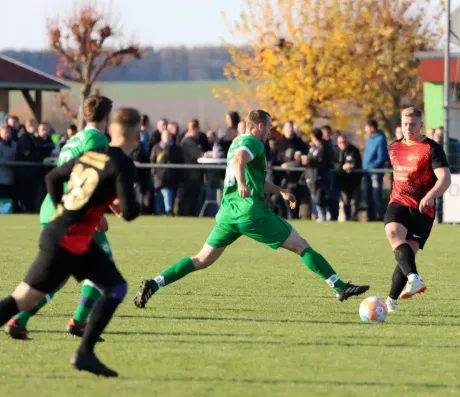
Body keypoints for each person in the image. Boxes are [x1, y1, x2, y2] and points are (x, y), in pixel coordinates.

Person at [133, 110, 369, 308]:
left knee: (202, 259)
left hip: (228, 213)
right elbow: (239, 162)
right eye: (268, 128)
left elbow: (250, 175)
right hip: (251, 213)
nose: (269, 133)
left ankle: (155, 283)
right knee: (301, 246)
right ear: (258, 126)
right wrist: (244, 184)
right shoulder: (251, 142)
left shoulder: (237, 141)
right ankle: (340, 287)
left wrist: (280, 191)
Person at [0, 107, 141, 377]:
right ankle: (83, 349)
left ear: (111, 131)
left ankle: (85, 352)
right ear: (135, 136)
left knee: (115, 285)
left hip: (68, 236)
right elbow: (130, 212)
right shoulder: (122, 163)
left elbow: (52, 177)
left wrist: (62, 209)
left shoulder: (90, 154)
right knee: (24, 299)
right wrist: (127, 203)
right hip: (67, 242)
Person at [5, 95, 115, 341]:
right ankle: (78, 322)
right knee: (104, 266)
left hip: (53, 209)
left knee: (57, 275)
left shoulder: (73, 139)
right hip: (74, 213)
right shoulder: (96, 138)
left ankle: (18, 321)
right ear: (107, 116)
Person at [384, 107, 451, 313]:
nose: (408, 128)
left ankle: (391, 300)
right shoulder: (394, 147)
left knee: (407, 255)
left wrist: (430, 196)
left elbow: (445, 178)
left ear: (421, 125)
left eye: (412, 124)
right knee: (393, 233)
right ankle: (415, 279)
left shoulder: (431, 148)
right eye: (405, 124)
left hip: (424, 209)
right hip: (398, 203)